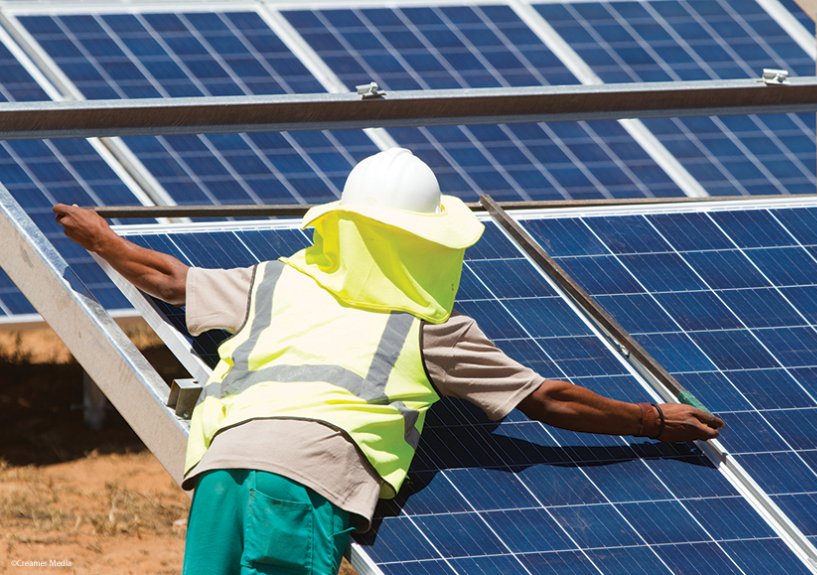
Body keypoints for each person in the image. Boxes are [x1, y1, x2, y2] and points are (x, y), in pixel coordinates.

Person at [54, 148, 724, 575]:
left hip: (221, 467)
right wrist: (652, 417)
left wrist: (101, 238)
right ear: (430, 241)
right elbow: (548, 399)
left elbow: (170, 279)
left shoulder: (277, 279)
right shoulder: (433, 331)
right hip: (304, 481)